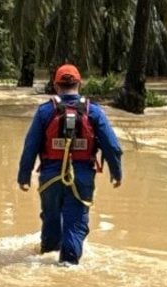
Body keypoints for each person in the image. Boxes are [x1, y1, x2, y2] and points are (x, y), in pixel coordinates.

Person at [17, 64, 123, 265]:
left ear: (56, 86)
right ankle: (68, 268)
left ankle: (46, 260)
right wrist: (116, 172)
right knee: (75, 224)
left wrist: (23, 177)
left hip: (50, 177)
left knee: (51, 220)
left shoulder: (45, 111)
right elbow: (112, 146)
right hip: (81, 178)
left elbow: (30, 146)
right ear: (79, 84)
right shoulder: (95, 112)